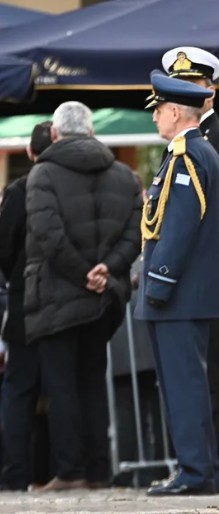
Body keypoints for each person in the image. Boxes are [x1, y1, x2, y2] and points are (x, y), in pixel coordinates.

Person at [24, 102, 142, 491]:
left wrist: (82, 274)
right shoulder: (123, 175)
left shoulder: (42, 173)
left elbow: (47, 234)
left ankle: (70, 470)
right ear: (91, 132)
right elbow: (135, 233)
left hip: (56, 294)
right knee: (92, 381)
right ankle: (98, 470)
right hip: (104, 298)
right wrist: (106, 270)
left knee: (61, 385)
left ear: (55, 133)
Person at [135, 72, 219, 496]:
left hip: (179, 294)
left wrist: (158, 285)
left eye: (158, 109)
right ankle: (201, 470)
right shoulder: (195, 152)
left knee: (184, 387)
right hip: (187, 293)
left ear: (175, 112)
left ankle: (195, 472)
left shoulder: (188, 156)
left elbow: (177, 228)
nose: (155, 117)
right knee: (189, 384)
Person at [161, 46, 219, 485]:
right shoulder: (188, 143)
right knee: (198, 377)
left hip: (203, 276)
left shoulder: (218, 141)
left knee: (206, 379)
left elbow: (217, 217)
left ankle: (211, 468)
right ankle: (205, 467)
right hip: (197, 278)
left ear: (208, 91)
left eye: (191, 85)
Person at [0, 121, 52, 491]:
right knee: (64, 388)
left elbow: (3, 246)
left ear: (30, 152)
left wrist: (16, 276)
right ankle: (63, 470)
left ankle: (16, 474)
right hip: (71, 302)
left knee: (18, 391)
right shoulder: (78, 183)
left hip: (23, 303)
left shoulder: (20, 190)